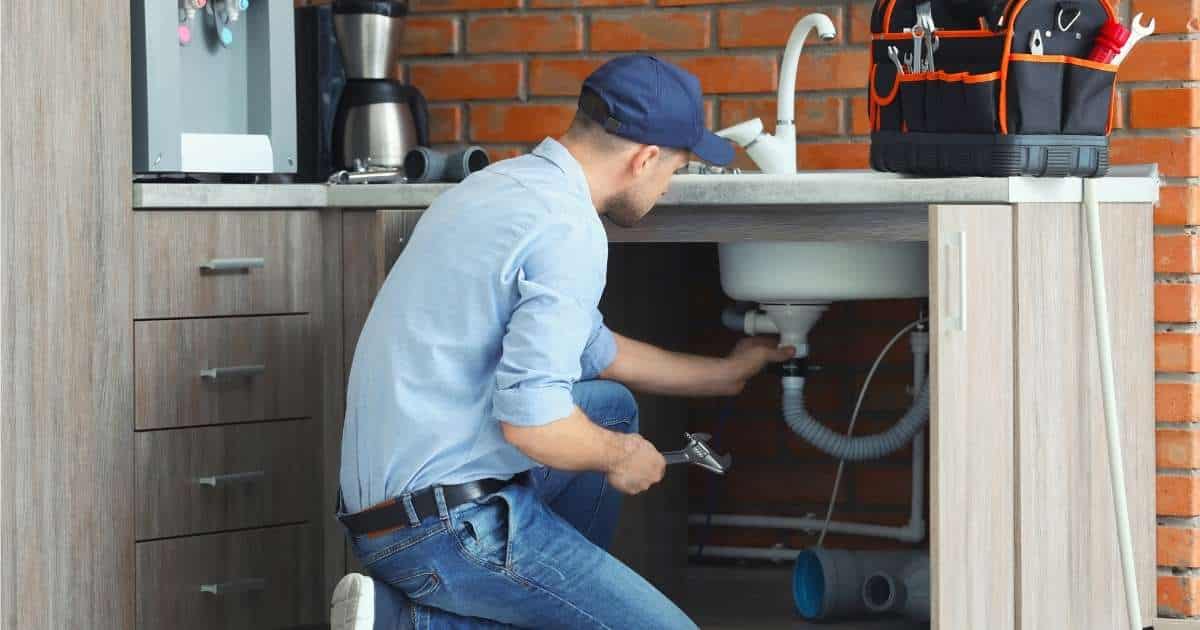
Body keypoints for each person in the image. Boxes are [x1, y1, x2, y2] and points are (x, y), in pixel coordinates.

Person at [331, 54, 793, 630]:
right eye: (673, 169)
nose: (667, 185)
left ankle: (550, 602)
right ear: (644, 158)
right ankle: (413, 622)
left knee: (610, 407)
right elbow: (533, 424)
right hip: (443, 531)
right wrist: (623, 457)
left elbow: (595, 349)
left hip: (380, 515)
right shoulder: (570, 230)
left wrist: (724, 374)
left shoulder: (498, 184)